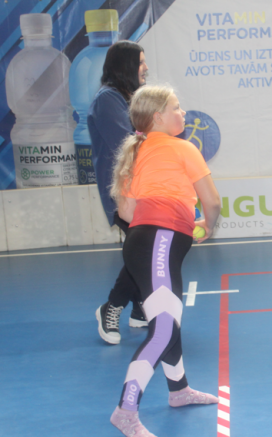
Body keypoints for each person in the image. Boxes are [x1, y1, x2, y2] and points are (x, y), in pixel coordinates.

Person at [108, 85, 222, 437]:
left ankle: (179, 391)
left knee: (168, 319)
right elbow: (212, 201)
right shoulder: (183, 148)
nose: (182, 112)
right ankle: (125, 411)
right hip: (160, 243)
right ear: (157, 117)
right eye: (176, 107)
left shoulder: (135, 153)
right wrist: (206, 225)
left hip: (145, 243)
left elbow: (126, 211)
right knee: (163, 329)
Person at [89, 41, 150, 344]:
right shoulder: (107, 100)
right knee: (143, 250)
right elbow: (128, 144)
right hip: (123, 192)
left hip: (141, 188)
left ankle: (139, 308)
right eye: (140, 62)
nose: (146, 68)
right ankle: (111, 307)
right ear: (125, 66)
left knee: (144, 248)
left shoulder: (130, 97)